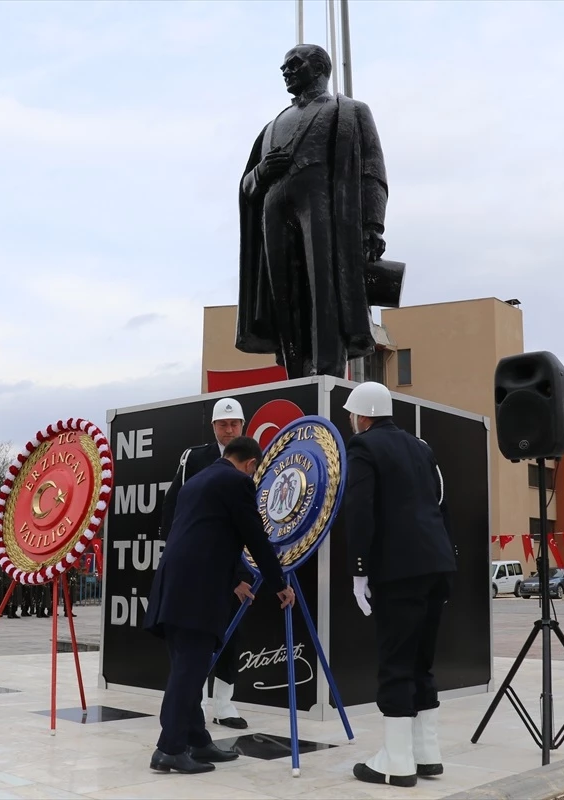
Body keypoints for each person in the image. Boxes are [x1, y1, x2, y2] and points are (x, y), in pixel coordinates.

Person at [235, 44, 388, 379]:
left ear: (319, 67)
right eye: (284, 66)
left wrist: (373, 224)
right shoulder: (272, 126)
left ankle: (328, 371)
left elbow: (372, 168)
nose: (285, 70)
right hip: (275, 215)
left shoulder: (347, 111)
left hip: (326, 210)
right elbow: (247, 187)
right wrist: (262, 173)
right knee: (284, 296)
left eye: (294, 64)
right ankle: (295, 372)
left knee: (325, 288)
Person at [144, 436, 295, 775]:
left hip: (173, 585)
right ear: (251, 465)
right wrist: (279, 584)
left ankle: (197, 740)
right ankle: (168, 749)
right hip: (197, 591)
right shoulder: (237, 481)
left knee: (187, 665)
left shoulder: (196, 481)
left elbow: (205, 535)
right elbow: (254, 535)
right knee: (189, 671)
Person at [342, 381, 456, 788]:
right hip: (437, 566)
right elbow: (440, 504)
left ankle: (396, 761)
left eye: (351, 415)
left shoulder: (363, 448)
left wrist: (359, 570)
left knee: (395, 660)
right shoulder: (421, 447)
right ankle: (426, 753)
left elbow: (359, 512)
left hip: (398, 570)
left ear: (362, 416)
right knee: (421, 661)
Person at [160, 396, 252, 729]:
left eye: (234, 424)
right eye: (223, 424)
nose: (229, 430)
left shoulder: (253, 461)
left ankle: (225, 704)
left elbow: (249, 527)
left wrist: (243, 574)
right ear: (213, 426)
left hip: (236, 566)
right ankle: (193, 703)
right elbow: (172, 512)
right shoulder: (194, 460)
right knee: (196, 639)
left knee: (230, 634)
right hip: (200, 569)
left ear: (243, 425)